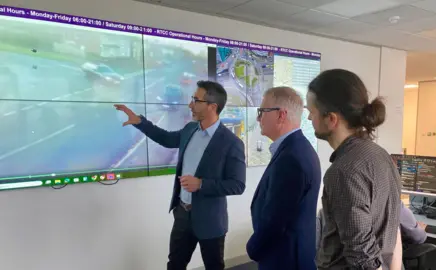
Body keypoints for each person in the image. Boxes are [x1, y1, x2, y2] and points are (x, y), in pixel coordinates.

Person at [114, 80, 246, 270]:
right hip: (182, 214)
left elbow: (237, 185)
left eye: (196, 100)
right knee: (175, 265)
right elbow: (167, 139)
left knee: (213, 266)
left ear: (212, 106)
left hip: (210, 220)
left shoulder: (231, 143)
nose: (190, 105)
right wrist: (140, 122)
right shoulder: (190, 130)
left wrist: (201, 184)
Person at [308, 69, 402, 270]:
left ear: (331, 119)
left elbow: (362, 256)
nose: (308, 118)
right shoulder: (382, 155)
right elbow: (394, 229)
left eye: (312, 112)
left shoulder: (343, 171)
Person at [246, 86, 321, 270]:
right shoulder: (297, 148)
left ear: (281, 115)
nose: (258, 118)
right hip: (290, 254)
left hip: (284, 260)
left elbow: (276, 220)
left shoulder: (291, 158)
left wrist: (253, 248)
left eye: (262, 111)